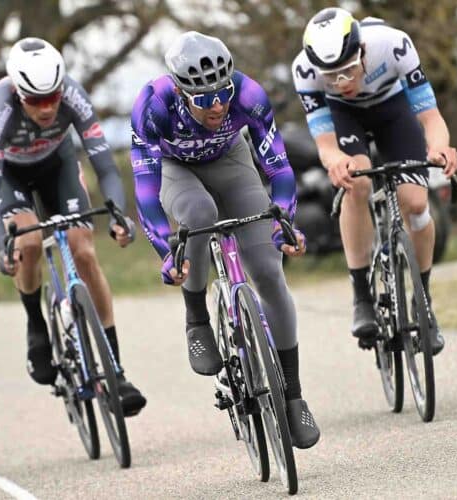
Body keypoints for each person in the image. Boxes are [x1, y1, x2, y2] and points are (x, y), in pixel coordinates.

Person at [130, 31, 320, 449]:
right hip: (177, 171)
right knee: (199, 215)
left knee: (269, 273)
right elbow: (145, 188)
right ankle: (196, 317)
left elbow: (280, 170)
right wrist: (166, 250)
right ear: (181, 92)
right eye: (202, 99)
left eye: (222, 93)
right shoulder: (153, 105)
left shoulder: (248, 95)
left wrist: (284, 222)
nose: (216, 105)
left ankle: (293, 395)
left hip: (231, 162)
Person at [0, 37, 146, 416]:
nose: (48, 107)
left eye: (52, 96)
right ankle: (36, 325)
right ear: (19, 94)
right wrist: (1, 247)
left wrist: (118, 215)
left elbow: (104, 166)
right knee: (30, 243)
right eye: (36, 100)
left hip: (58, 167)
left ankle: (115, 371)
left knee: (84, 250)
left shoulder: (73, 97)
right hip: (11, 177)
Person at [292, 8, 457, 354]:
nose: (343, 83)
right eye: (332, 77)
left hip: (393, 111)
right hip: (344, 118)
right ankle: (361, 296)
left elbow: (430, 118)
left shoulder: (394, 45)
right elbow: (325, 144)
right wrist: (336, 162)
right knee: (357, 185)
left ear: (363, 52)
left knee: (415, 202)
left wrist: (441, 147)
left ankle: (423, 300)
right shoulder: (304, 71)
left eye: (349, 71)